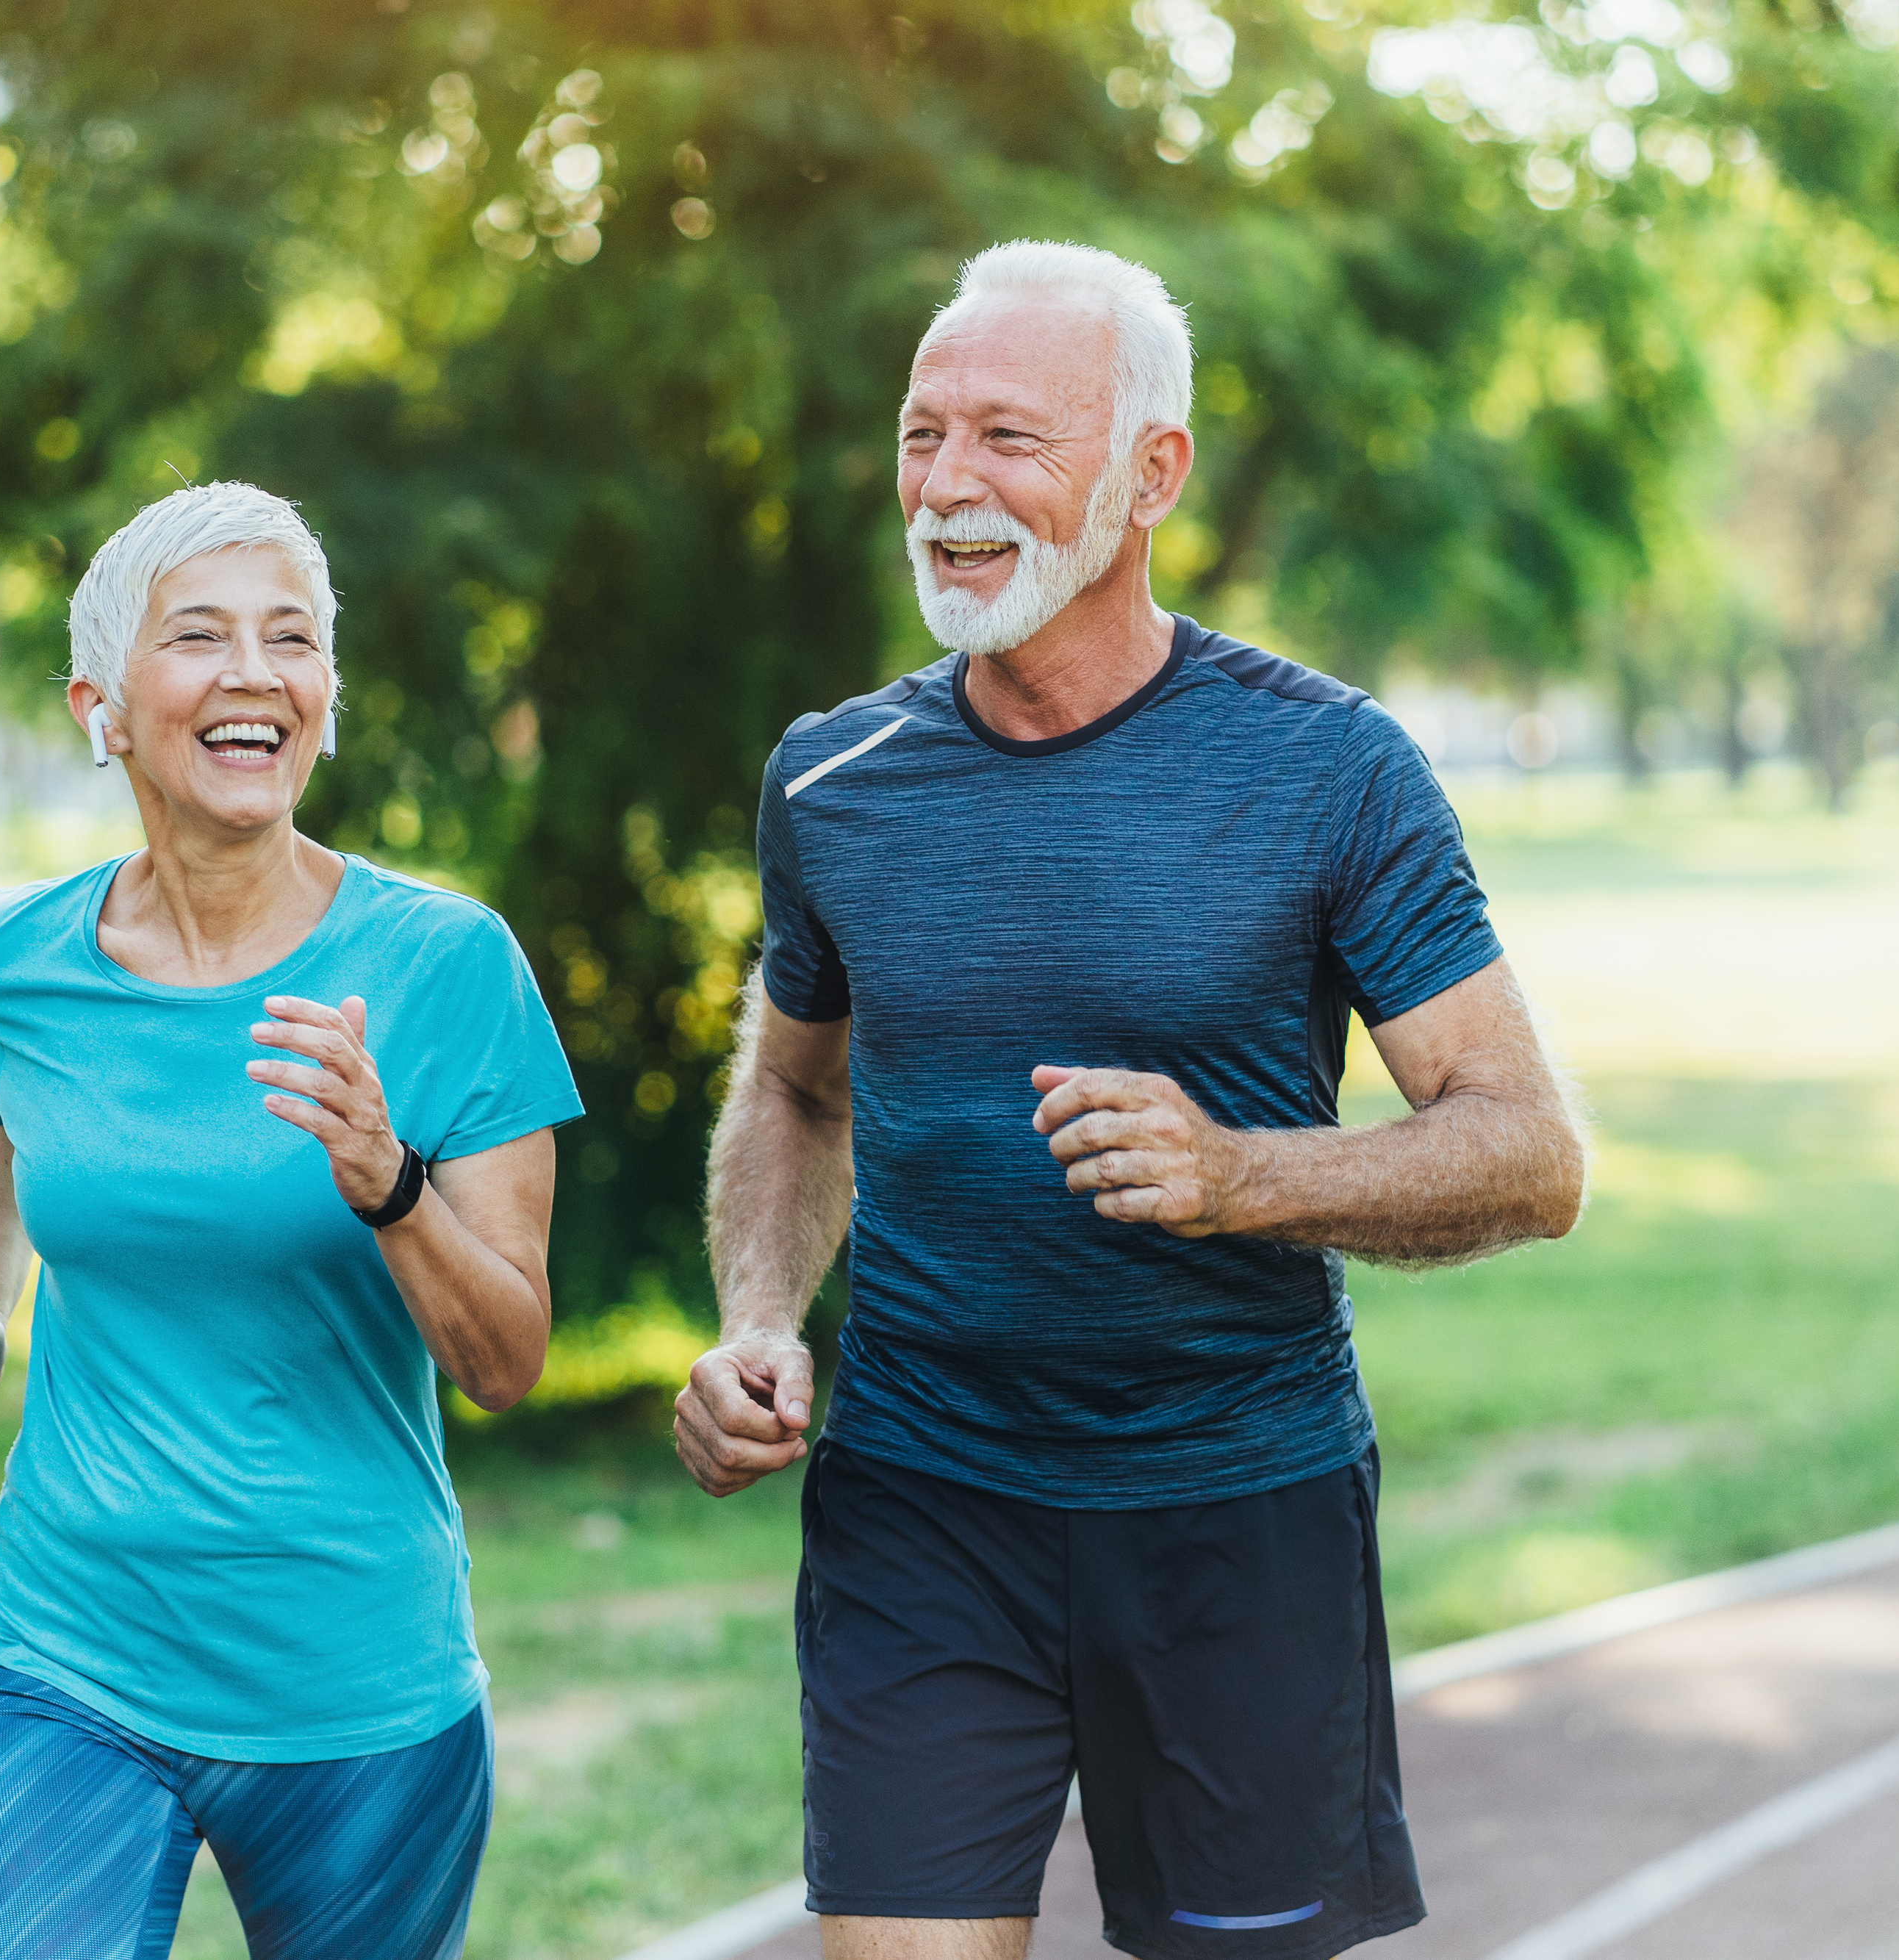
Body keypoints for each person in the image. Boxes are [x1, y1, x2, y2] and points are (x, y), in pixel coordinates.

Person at [677, 242, 1588, 1960]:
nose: (946, 485)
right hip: (921, 1503)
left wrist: (1239, 1174)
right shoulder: (834, 776)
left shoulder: (1326, 768)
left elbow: (1528, 1152)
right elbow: (794, 1096)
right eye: (920, 433)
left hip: (1232, 1511)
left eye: (1007, 437)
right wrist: (753, 1318)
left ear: (1149, 471)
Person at [0, 482, 581, 1960]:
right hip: (57, 1647)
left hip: (354, 1681)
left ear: (323, 694)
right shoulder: (12, 953)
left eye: (292, 639)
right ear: (104, 707)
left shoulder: (444, 962)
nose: (256, 671)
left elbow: (507, 1356)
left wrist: (386, 1179)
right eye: (198, 636)